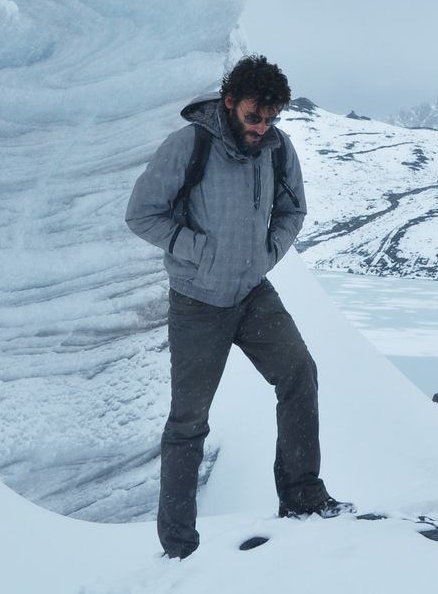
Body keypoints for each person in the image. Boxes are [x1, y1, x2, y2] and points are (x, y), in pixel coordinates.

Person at [125, 55, 351, 559]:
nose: (262, 127)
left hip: (252, 294)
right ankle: (179, 547)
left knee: (299, 373)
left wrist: (268, 254)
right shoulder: (190, 146)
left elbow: (293, 209)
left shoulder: (276, 148)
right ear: (230, 101)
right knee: (188, 422)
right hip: (197, 302)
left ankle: (301, 496)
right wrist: (197, 250)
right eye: (255, 116)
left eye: (271, 118)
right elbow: (140, 214)